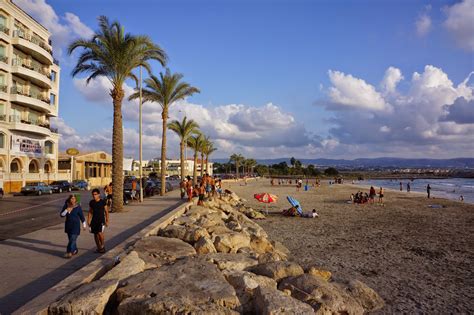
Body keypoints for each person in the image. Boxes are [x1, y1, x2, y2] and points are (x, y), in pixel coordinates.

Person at [87, 188, 109, 253]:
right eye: (93, 194)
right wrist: (88, 219)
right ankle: (98, 247)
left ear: (99, 194)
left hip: (101, 220)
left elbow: (106, 212)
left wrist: (107, 220)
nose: (94, 196)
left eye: (95, 194)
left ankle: (102, 246)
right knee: (95, 234)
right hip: (94, 220)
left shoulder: (102, 202)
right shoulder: (91, 202)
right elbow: (90, 212)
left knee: (100, 233)